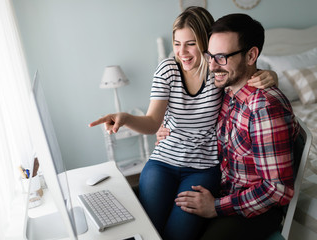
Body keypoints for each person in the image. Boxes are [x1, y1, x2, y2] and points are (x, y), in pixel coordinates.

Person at [89, 7, 277, 240]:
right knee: (148, 231)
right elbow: (151, 122)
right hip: (164, 161)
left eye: (190, 44)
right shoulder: (167, 69)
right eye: (177, 43)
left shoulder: (218, 72)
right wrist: (125, 118)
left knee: (177, 235)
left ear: (206, 43)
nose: (182, 52)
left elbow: (245, 74)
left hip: (203, 167)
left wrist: (272, 75)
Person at [173, 13, 300, 240]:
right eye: (210, 56)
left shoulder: (263, 109)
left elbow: (277, 190)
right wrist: (167, 127)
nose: (212, 66)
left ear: (251, 55)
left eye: (221, 57)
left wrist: (216, 207)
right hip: (222, 188)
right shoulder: (225, 89)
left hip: (255, 209)